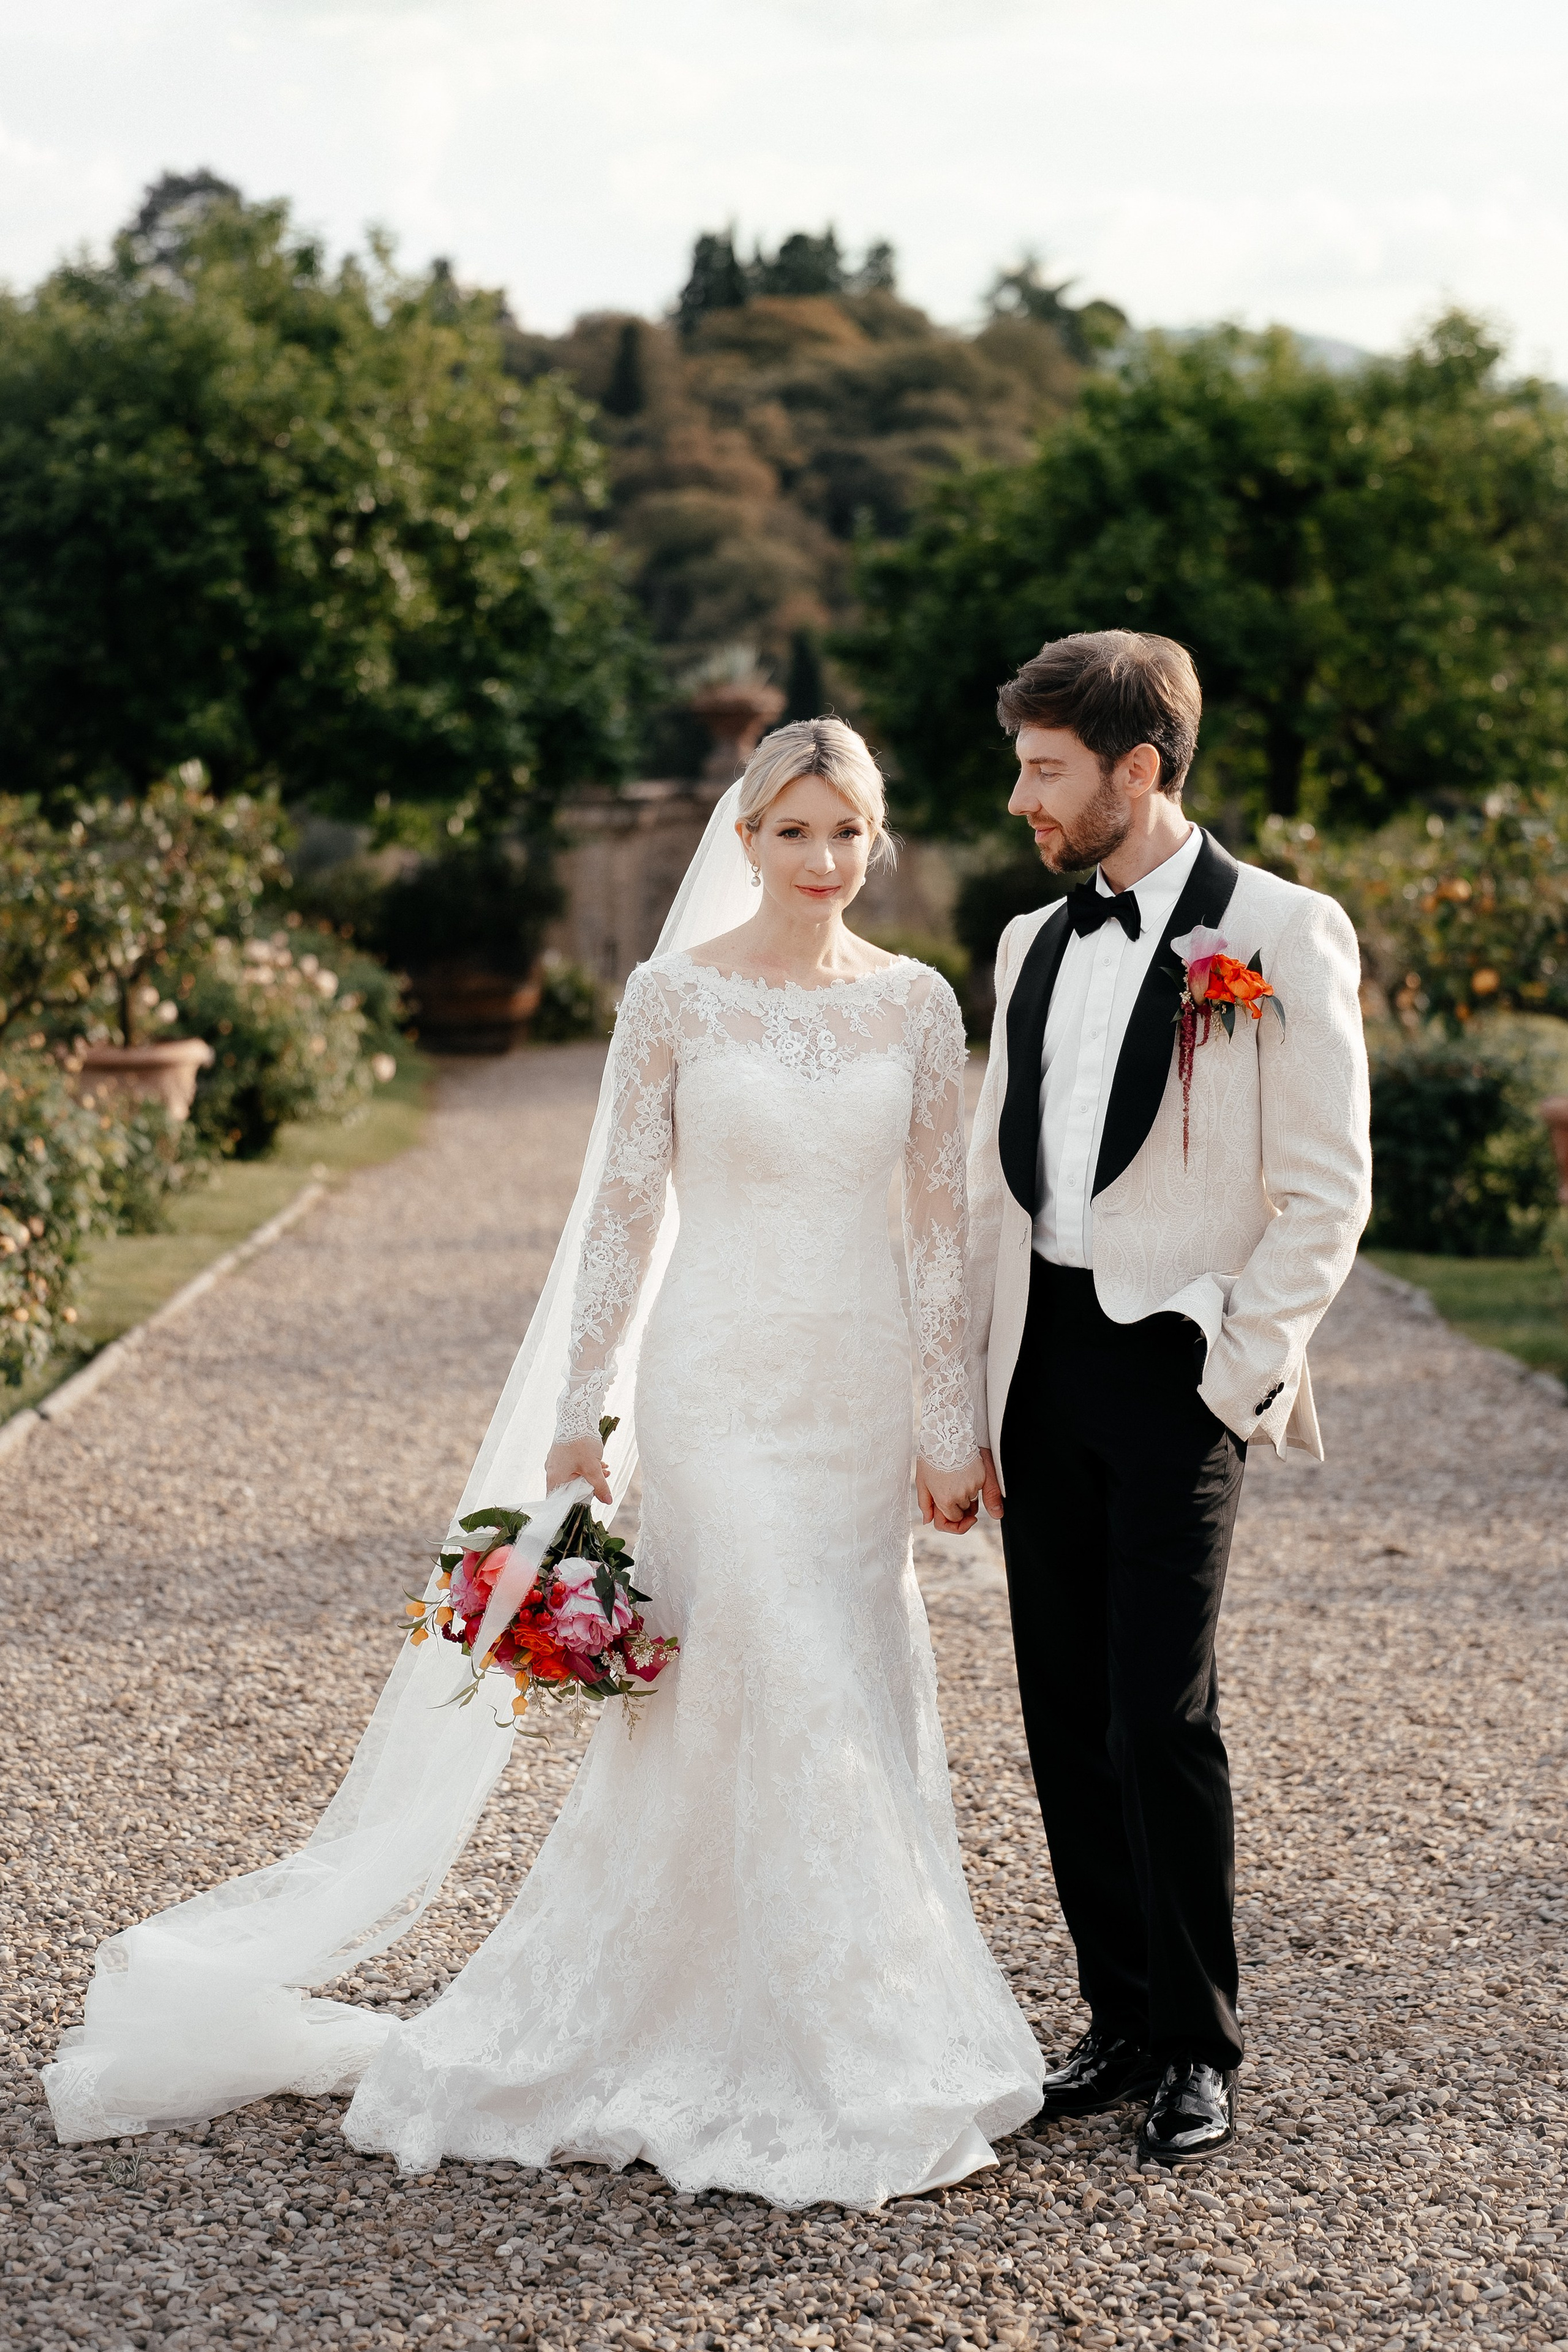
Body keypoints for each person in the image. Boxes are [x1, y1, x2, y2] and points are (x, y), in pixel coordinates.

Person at [46, 718, 1042, 2211]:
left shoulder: (914, 1007)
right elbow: (624, 1217)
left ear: (875, 841)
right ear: (745, 838)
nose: (823, 862)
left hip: (847, 1402)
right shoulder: (670, 997)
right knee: (751, 1648)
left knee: (838, 1665)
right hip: (716, 1389)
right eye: (792, 834)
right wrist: (588, 1407)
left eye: (848, 835)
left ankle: (845, 1993)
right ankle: (798, 2029)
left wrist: (944, 1427)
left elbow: (933, 1235)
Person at [965, 632, 1371, 2166]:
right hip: (1039, 1360)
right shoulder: (1027, 947)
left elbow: (1325, 1185)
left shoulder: (1278, 928)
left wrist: (1235, 1369)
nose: (1021, 799)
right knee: (1062, 1713)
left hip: (1174, 1370)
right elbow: (985, 1187)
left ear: (1137, 772)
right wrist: (967, 1394)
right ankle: (1116, 2017)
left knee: (1158, 1711)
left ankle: (1198, 2040)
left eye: (1045, 770)